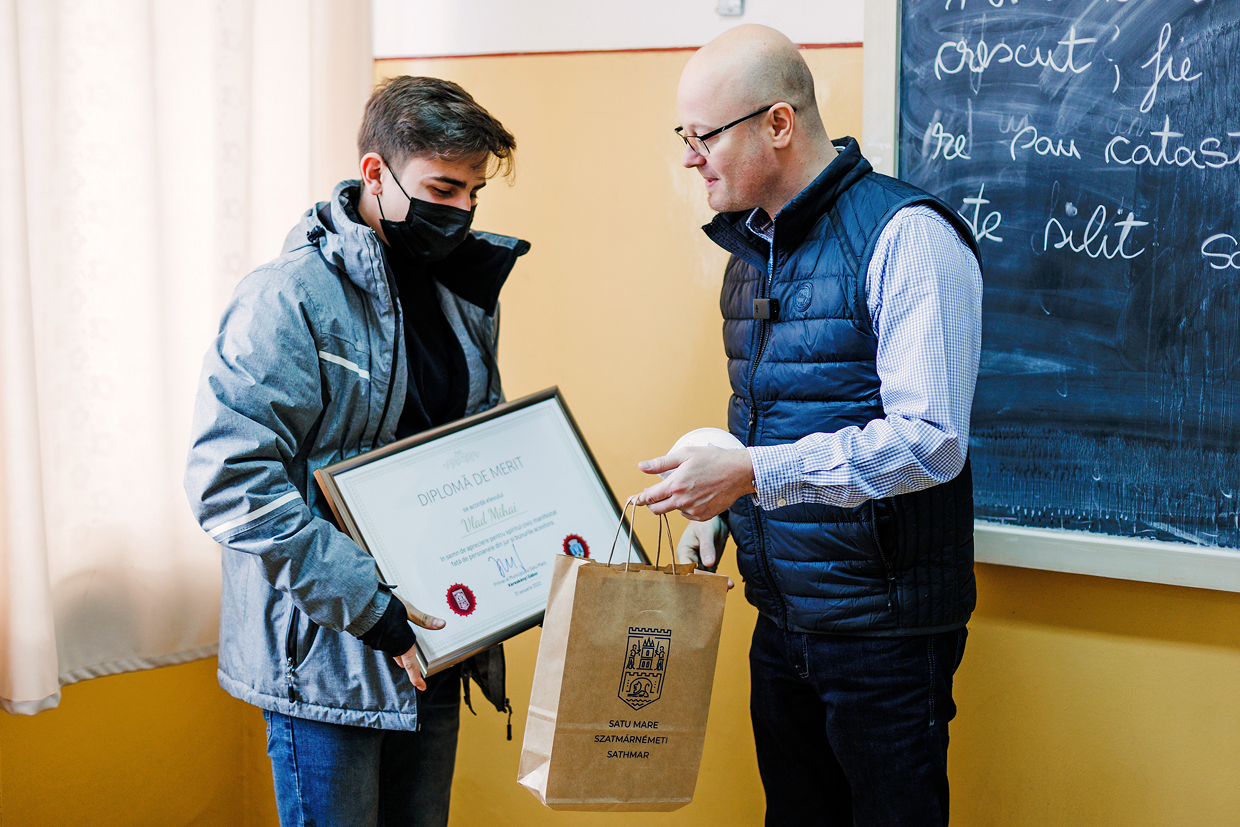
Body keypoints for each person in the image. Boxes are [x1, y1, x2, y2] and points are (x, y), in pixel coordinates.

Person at [636, 25, 983, 827]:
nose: (690, 158)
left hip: (885, 634)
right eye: (684, 136)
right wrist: (724, 505)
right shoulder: (750, 251)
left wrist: (752, 474)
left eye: (703, 136)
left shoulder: (908, 237)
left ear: (779, 124)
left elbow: (930, 440)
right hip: (782, 618)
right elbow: (781, 412)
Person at [184, 76, 528, 827]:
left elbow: (476, 447)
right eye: (442, 188)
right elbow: (229, 480)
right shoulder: (287, 297)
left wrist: (520, 563)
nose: (461, 211)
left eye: (474, 193)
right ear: (376, 172)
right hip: (330, 654)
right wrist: (372, 609)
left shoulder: (462, 293)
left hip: (437, 637)